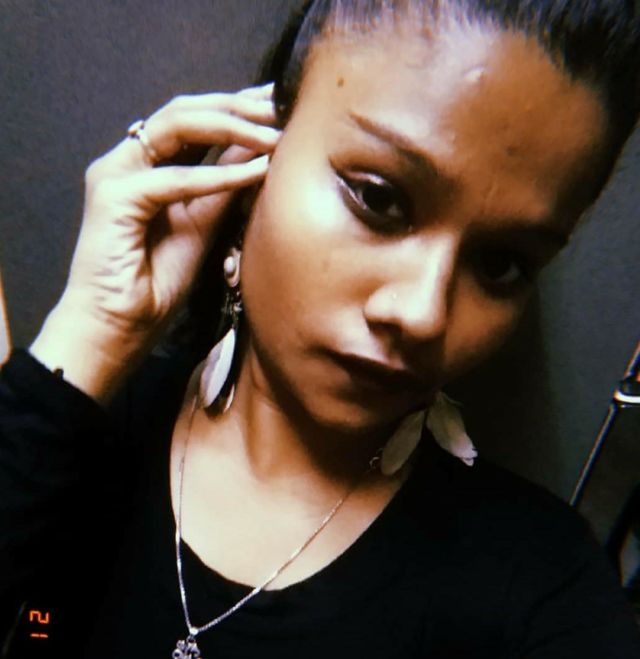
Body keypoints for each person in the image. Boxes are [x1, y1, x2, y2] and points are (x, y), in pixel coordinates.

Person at [1, 0, 640, 657]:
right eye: (379, 197)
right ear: (256, 164)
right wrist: (91, 330)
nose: (423, 314)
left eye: (501, 264)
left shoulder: (544, 592)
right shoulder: (75, 433)